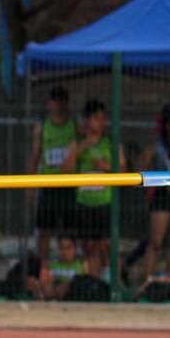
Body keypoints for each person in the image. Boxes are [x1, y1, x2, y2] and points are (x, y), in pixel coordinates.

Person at [64, 100, 125, 278]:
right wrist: (83, 146)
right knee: (90, 246)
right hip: (85, 202)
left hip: (105, 202)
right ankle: (94, 282)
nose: (101, 123)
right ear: (88, 120)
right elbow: (65, 169)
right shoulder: (78, 143)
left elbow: (123, 170)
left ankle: (115, 285)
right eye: (96, 118)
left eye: (102, 119)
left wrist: (106, 166)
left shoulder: (111, 143)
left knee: (108, 245)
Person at [30, 86, 78, 263]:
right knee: (44, 229)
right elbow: (35, 156)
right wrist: (32, 185)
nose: (58, 105)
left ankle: (69, 266)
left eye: (62, 101)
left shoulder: (74, 125)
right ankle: (43, 267)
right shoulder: (42, 127)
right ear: (50, 104)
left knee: (69, 230)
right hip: (49, 185)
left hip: (68, 185)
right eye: (55, 101)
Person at [140, 103, 170, 282]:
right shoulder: (157, 148)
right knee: (156, 242)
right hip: (162, 197)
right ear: (168, 126)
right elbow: (141, 170)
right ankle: (147, 281)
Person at [40, 234, 86, 301]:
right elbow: (47, 288)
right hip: (54, 297)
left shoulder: (82, 265)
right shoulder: (51, 266)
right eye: (62, 247)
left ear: (75, 248)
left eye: (68, 247)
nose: (65, 252)